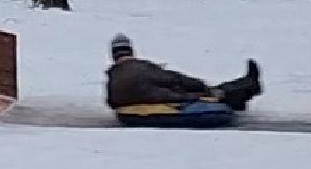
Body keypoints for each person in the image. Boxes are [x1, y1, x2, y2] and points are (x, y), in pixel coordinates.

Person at [105, 33, 262, 111]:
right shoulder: (140, 67)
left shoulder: (113, 76)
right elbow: (172, 79)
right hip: (165, 98)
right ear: (130, 50)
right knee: (211, 93)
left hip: (145, 101)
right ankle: (248, 85)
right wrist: (201, 86)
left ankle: (240, 95)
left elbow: (111, 102)